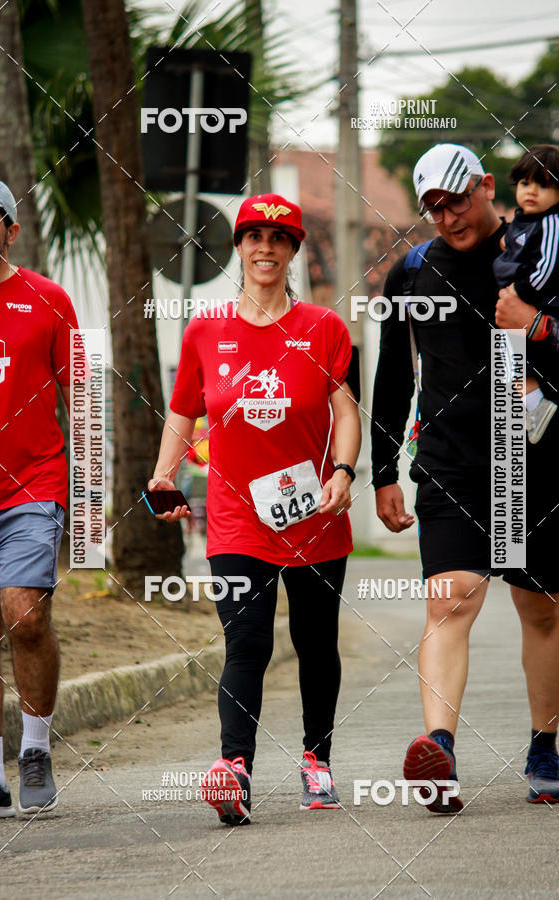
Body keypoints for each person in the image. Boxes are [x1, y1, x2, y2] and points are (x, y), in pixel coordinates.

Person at [371, 143, 559, 813]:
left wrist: (536, 324)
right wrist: (382, 469)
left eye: (457, 199)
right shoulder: (410, 273)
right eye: (433, 207)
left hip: (542, 457)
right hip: (452, 464)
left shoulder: (547, 249)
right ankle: (438, 752)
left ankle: (544, 746)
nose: (447, 216)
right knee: (449, 600)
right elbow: (391, 377)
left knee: (538, 605)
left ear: (487, 186)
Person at [149, 193, 361, 825]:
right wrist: (163, 475)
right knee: (246, 641)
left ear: (293, 250)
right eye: (253, 236)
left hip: (313, 511)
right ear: (237, 247)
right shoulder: (205, 330)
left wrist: (345, 472)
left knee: (315, 641)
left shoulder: (322, 327)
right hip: (236, 517)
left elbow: (346, 410)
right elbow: (185, 411)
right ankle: (233, 768)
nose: (264, 247)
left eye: (279, 237)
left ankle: (316, 759)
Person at [0, 181, 79, 816]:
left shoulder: (48, 300)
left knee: (25, 613)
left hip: (34, 483)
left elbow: (82, 396)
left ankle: (34, 748)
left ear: (10, 229)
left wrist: (92, 505)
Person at [493, 144, 559, 451]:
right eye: (526, 183)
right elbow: (515, 244)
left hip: (557, 300)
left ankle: (541, 405)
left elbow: (547, 266)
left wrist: (520, 293)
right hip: (542, 301)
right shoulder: (523, 220)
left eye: (544, 185)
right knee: (541, 356)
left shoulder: (552, 224)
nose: (532, 191)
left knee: (527, 349)